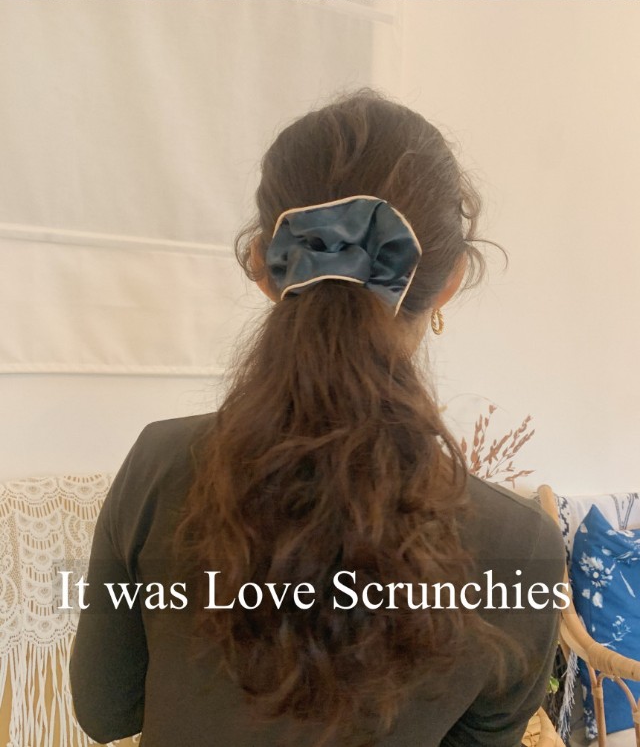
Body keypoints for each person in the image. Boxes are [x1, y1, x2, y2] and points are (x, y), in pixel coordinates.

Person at [69, 87, 566, 747]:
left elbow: (106, 711)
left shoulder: (161, 466)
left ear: (262, 267)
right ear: (449, 282)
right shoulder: (522, 545)